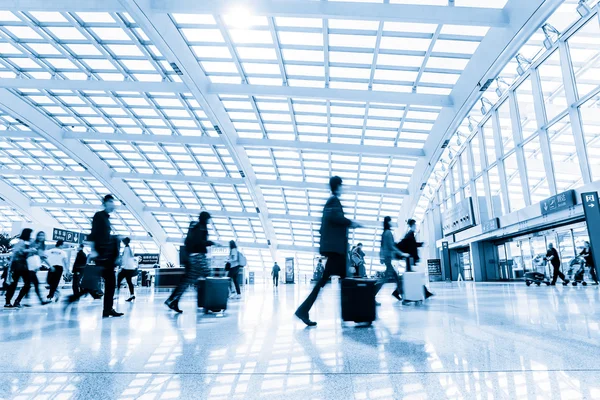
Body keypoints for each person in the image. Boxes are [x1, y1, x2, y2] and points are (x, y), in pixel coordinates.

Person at [295, 176, 360, 327]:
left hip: (335, 250)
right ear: (337, 186)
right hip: (336, 250)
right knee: (343, 280)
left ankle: (305, 310)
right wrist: (351, 223)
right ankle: (353, 313)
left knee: (334, 280)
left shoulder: (332, 202)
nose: (343, 188)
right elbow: (336, 218)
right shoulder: (333, 201)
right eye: (341, 186)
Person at [80, 194, 123, 318]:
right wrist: (93, 250)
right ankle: (107, 309)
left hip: (106, 256)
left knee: (108, 283)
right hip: (102, 256)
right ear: (105, 203)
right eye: (110, 201)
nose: (112, 204)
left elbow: (103, 237)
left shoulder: (106, 218)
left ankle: (107, 309)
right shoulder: (99, 216)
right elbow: (93, 234)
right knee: (107, 282)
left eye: (113, 202)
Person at [165, 211, 214, 313]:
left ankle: (173, 300)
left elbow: (189, 242)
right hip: (198, 257)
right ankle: (210, 303)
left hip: (191, 256)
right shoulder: (201, 228)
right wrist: (211, 242)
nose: (209, 221)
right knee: (208, 277)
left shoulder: (194, 227)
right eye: (208, 219)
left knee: (188, 280)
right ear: (205, 219)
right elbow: (200, 243)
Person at [398, 219, 434, 298]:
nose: (416, 226)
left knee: (413, 277)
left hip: (410, 259)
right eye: (415, 225)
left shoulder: (409, 235)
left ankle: (425, 292)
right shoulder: (410, 235)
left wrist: (421, 244)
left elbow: (412, 245)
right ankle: (398, 291)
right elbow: (412, 248)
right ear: (412, 225)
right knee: (415, 277)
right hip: (411, 260)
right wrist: (416, 256)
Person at [375, 217, 406, 303]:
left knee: (395, 277)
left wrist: (381, 257)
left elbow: (382, 246)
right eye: (390, 222)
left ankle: (400, 294)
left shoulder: (384, 232)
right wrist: (401, 253)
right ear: (388, 222)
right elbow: (391, 246)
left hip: (386, 257)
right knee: (385, 279)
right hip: (388, 258)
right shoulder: (388, 233)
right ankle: (372, 294)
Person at [5, 228, 37, 308]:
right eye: (30, 234)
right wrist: (30, 250)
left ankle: (13, 301)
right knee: (19, 284)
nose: (31, 236)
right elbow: (18, 251)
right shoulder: (21, 242)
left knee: (20, 284)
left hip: (22, 265)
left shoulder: (26, 242)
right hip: (18, 264)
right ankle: (13, 301)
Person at [117, 237, 137, 302]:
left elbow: (126, 258)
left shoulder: (127, 248)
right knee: (129, 281)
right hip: (129, 268)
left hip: (127, 268)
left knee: (119, 279)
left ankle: (116, 294)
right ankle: (132, 295)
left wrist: (122, 266)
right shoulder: (128, 247)